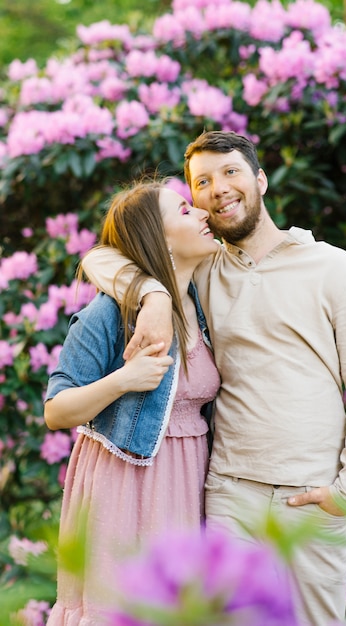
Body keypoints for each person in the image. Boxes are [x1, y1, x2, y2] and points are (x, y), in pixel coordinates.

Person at [81, 131, 346, 626]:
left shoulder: (338, 271)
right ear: (197, 202)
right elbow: (102, 257)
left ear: (261, 180)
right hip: (229, 493)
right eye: (201, 182)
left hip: (312, 496)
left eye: (231, 172)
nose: (219, 188)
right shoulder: (203, 271)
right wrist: (156, 296)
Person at [44, 180, 221, 625]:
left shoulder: (202, 302)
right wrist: (123, 380)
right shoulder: (109, 313)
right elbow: (56, 409)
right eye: (185, 210)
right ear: (158, 239)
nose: (203, 213)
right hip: (123, 485)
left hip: (188, 479)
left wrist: (157, 293)